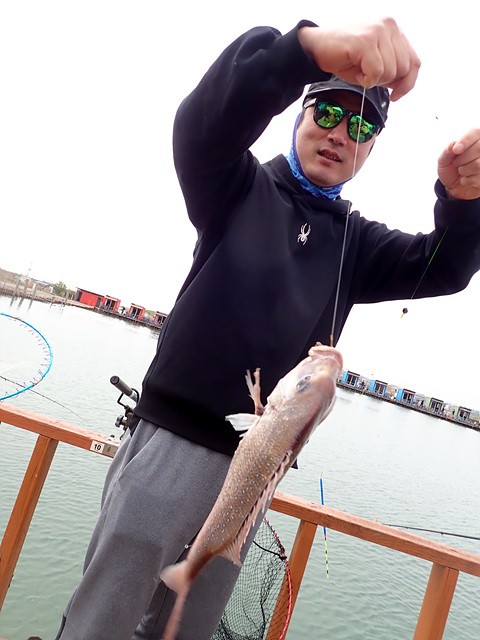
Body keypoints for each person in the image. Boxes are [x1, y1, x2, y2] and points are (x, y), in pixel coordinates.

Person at [55, 17, 480, 640]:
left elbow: (443, 267)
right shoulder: (237, 186)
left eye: (362, 128)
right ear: (300, 114)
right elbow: (201, 125)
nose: (341, 134)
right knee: (103, 624)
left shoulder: (356, 244)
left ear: (371, 149)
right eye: (328, 113)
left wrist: (462, 202)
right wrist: (303, 50)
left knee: (185, 630)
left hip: (253, 479)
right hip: (171, 446)